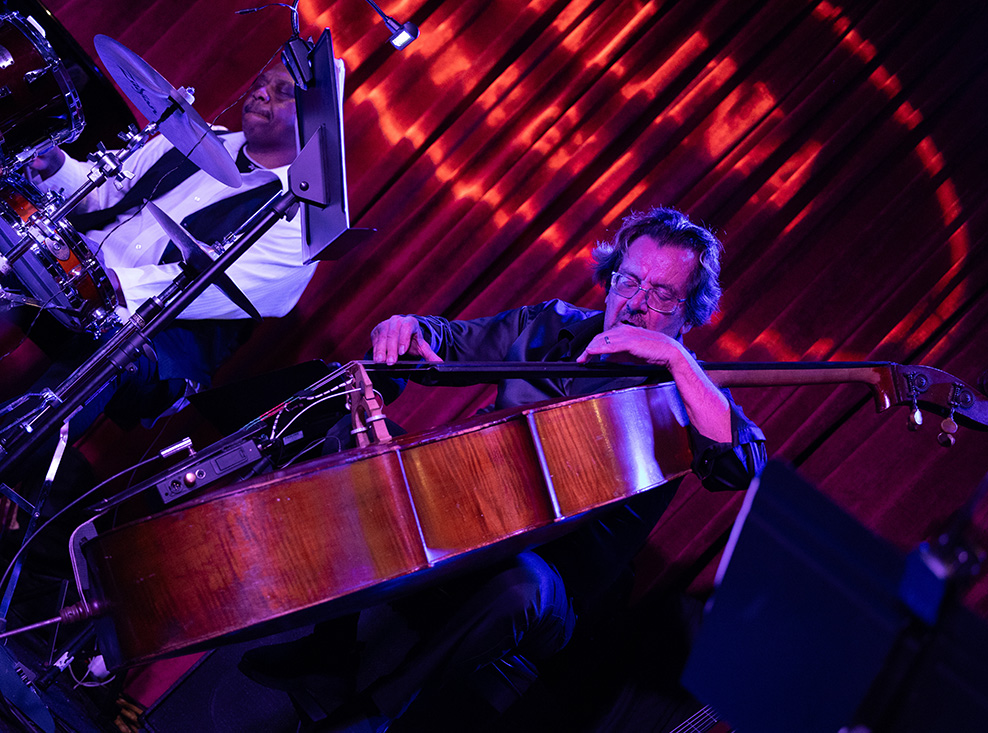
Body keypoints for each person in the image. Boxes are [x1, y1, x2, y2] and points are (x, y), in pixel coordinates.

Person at [242, 206, 765, 732]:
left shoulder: (685, 402)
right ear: (609, 280)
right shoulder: (550, 326)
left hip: (551, 580)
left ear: (688, 315)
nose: (636, 305)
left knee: (521, 586)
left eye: (662, 296)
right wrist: (407, 328)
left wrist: (677, 362)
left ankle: (374, 715)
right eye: (629, 281)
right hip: (466, 512)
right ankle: (330, 652)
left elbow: (741, 464)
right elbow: (445, 345)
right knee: (351, 442)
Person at [10, 61, 315, 435]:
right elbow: (106, 193)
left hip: (157, 337)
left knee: (114, 347)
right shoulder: (196, 136)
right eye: (260, 81)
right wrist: (57, 165)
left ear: (314, 119)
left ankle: (12, 451)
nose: (260, 92)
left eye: (282, 92)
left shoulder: (298, 217)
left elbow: (214, 288)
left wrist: (110, 282)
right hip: (80, 268)